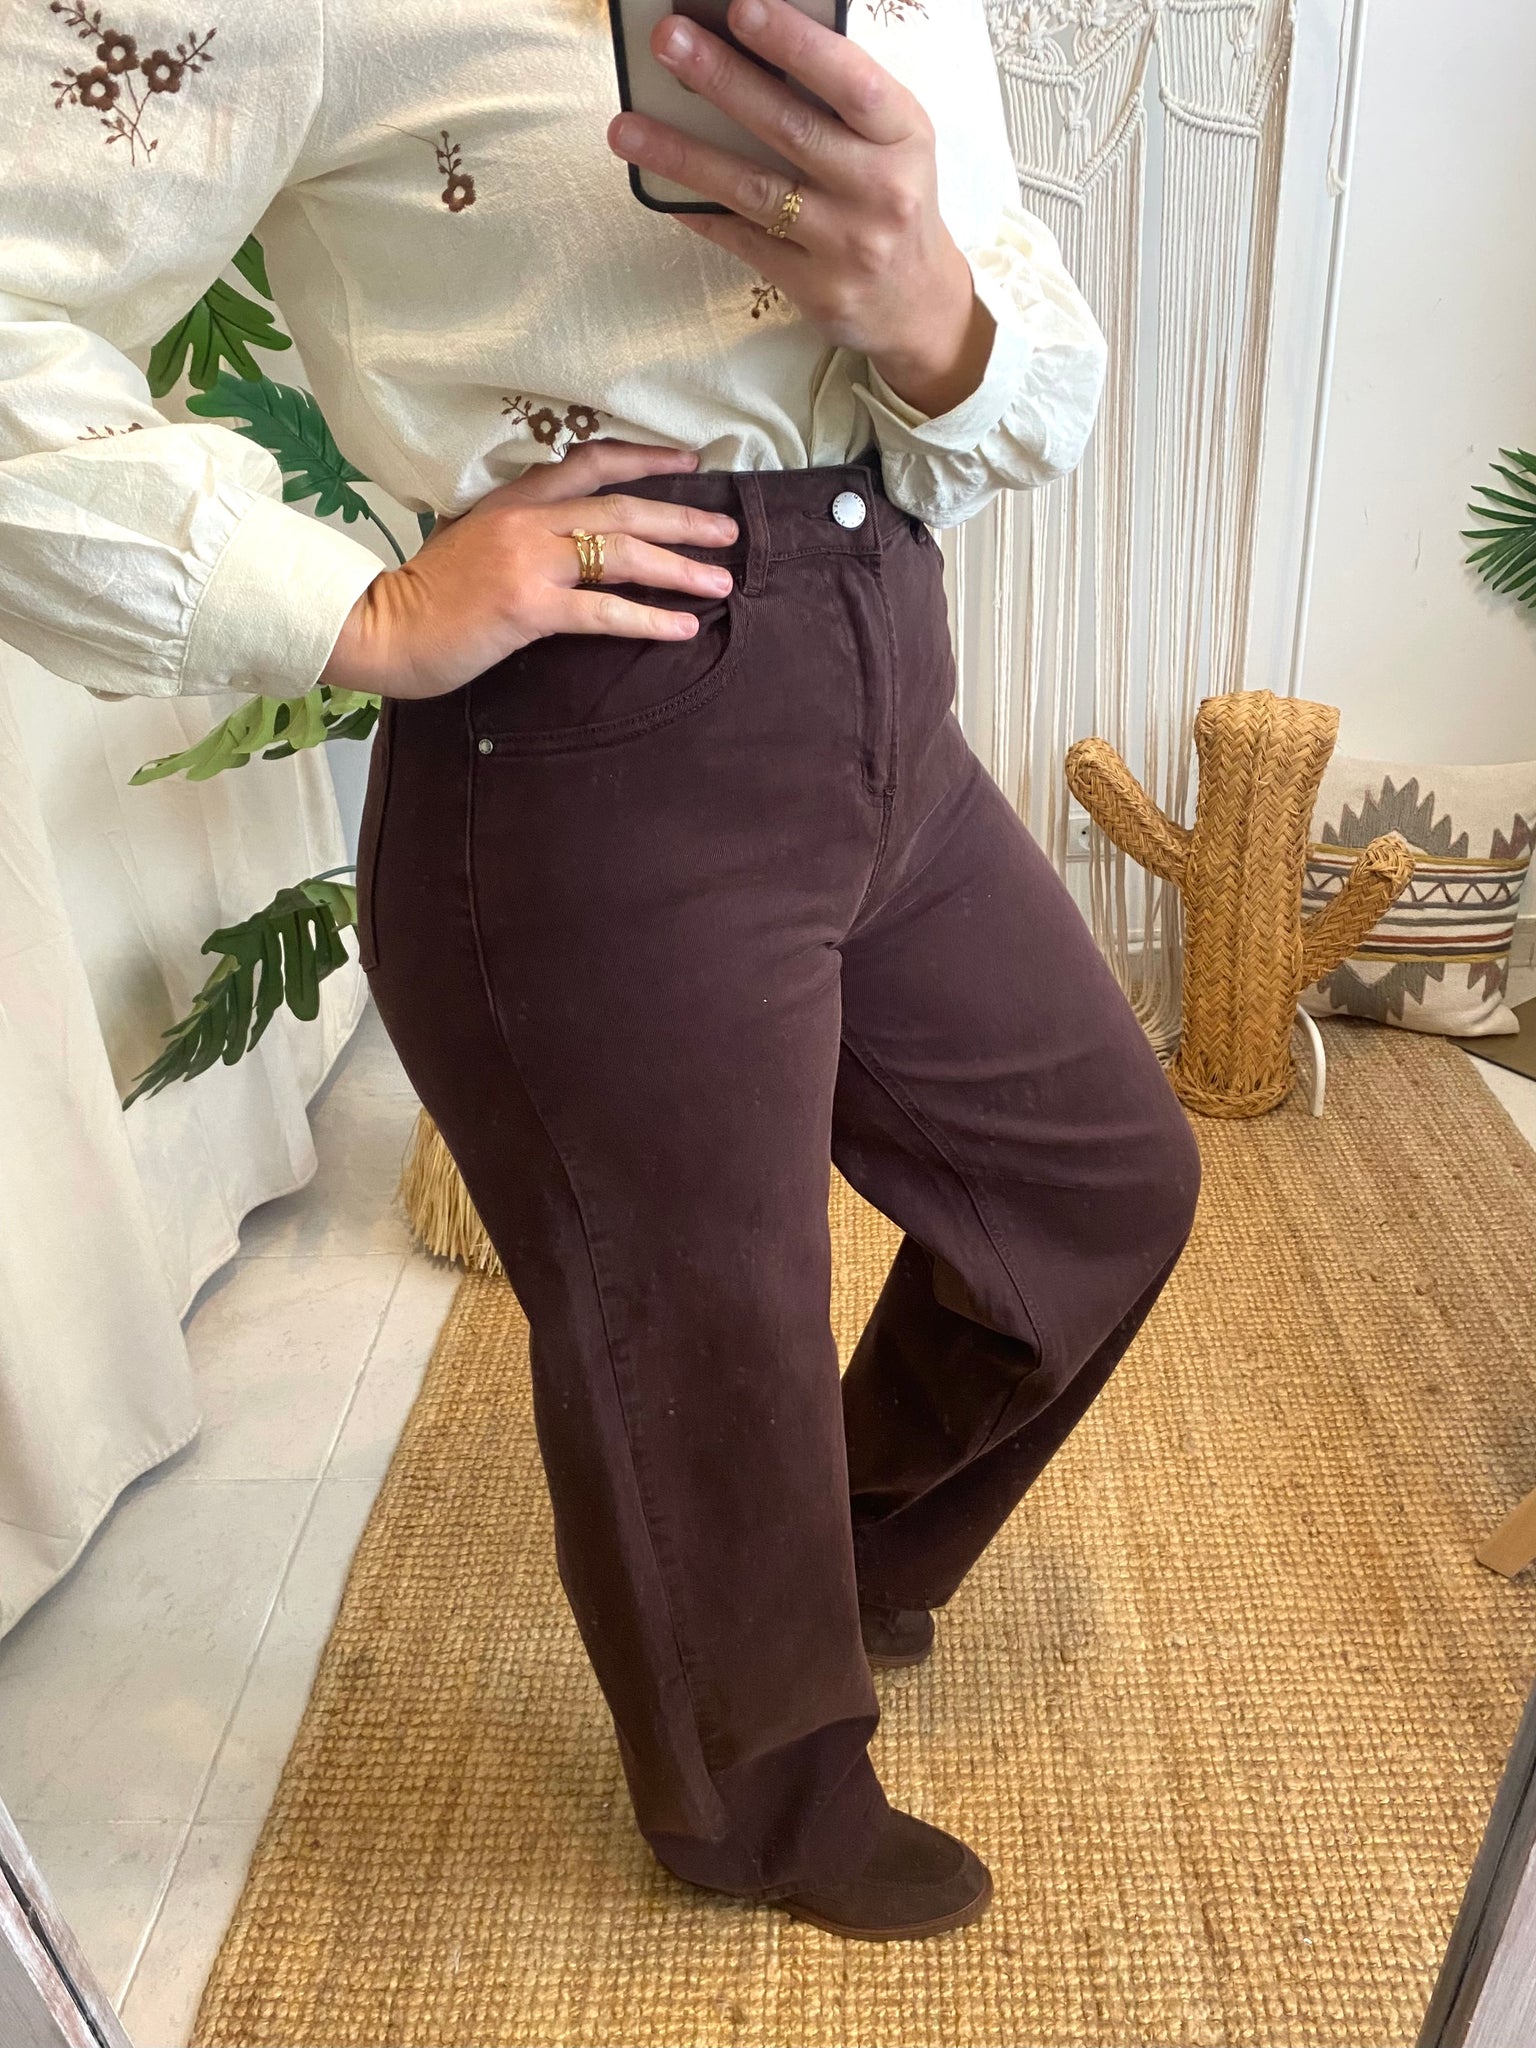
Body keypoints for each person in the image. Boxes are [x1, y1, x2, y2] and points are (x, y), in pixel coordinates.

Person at [0, 0, 1200, 1941]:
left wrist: (937, 321)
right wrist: (353, 607)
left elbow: (1000, 339)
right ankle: (754, 1797)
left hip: (886, 682)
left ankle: (842, 1551)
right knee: (702, 1334)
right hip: (593, 746)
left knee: (1099, 1189)